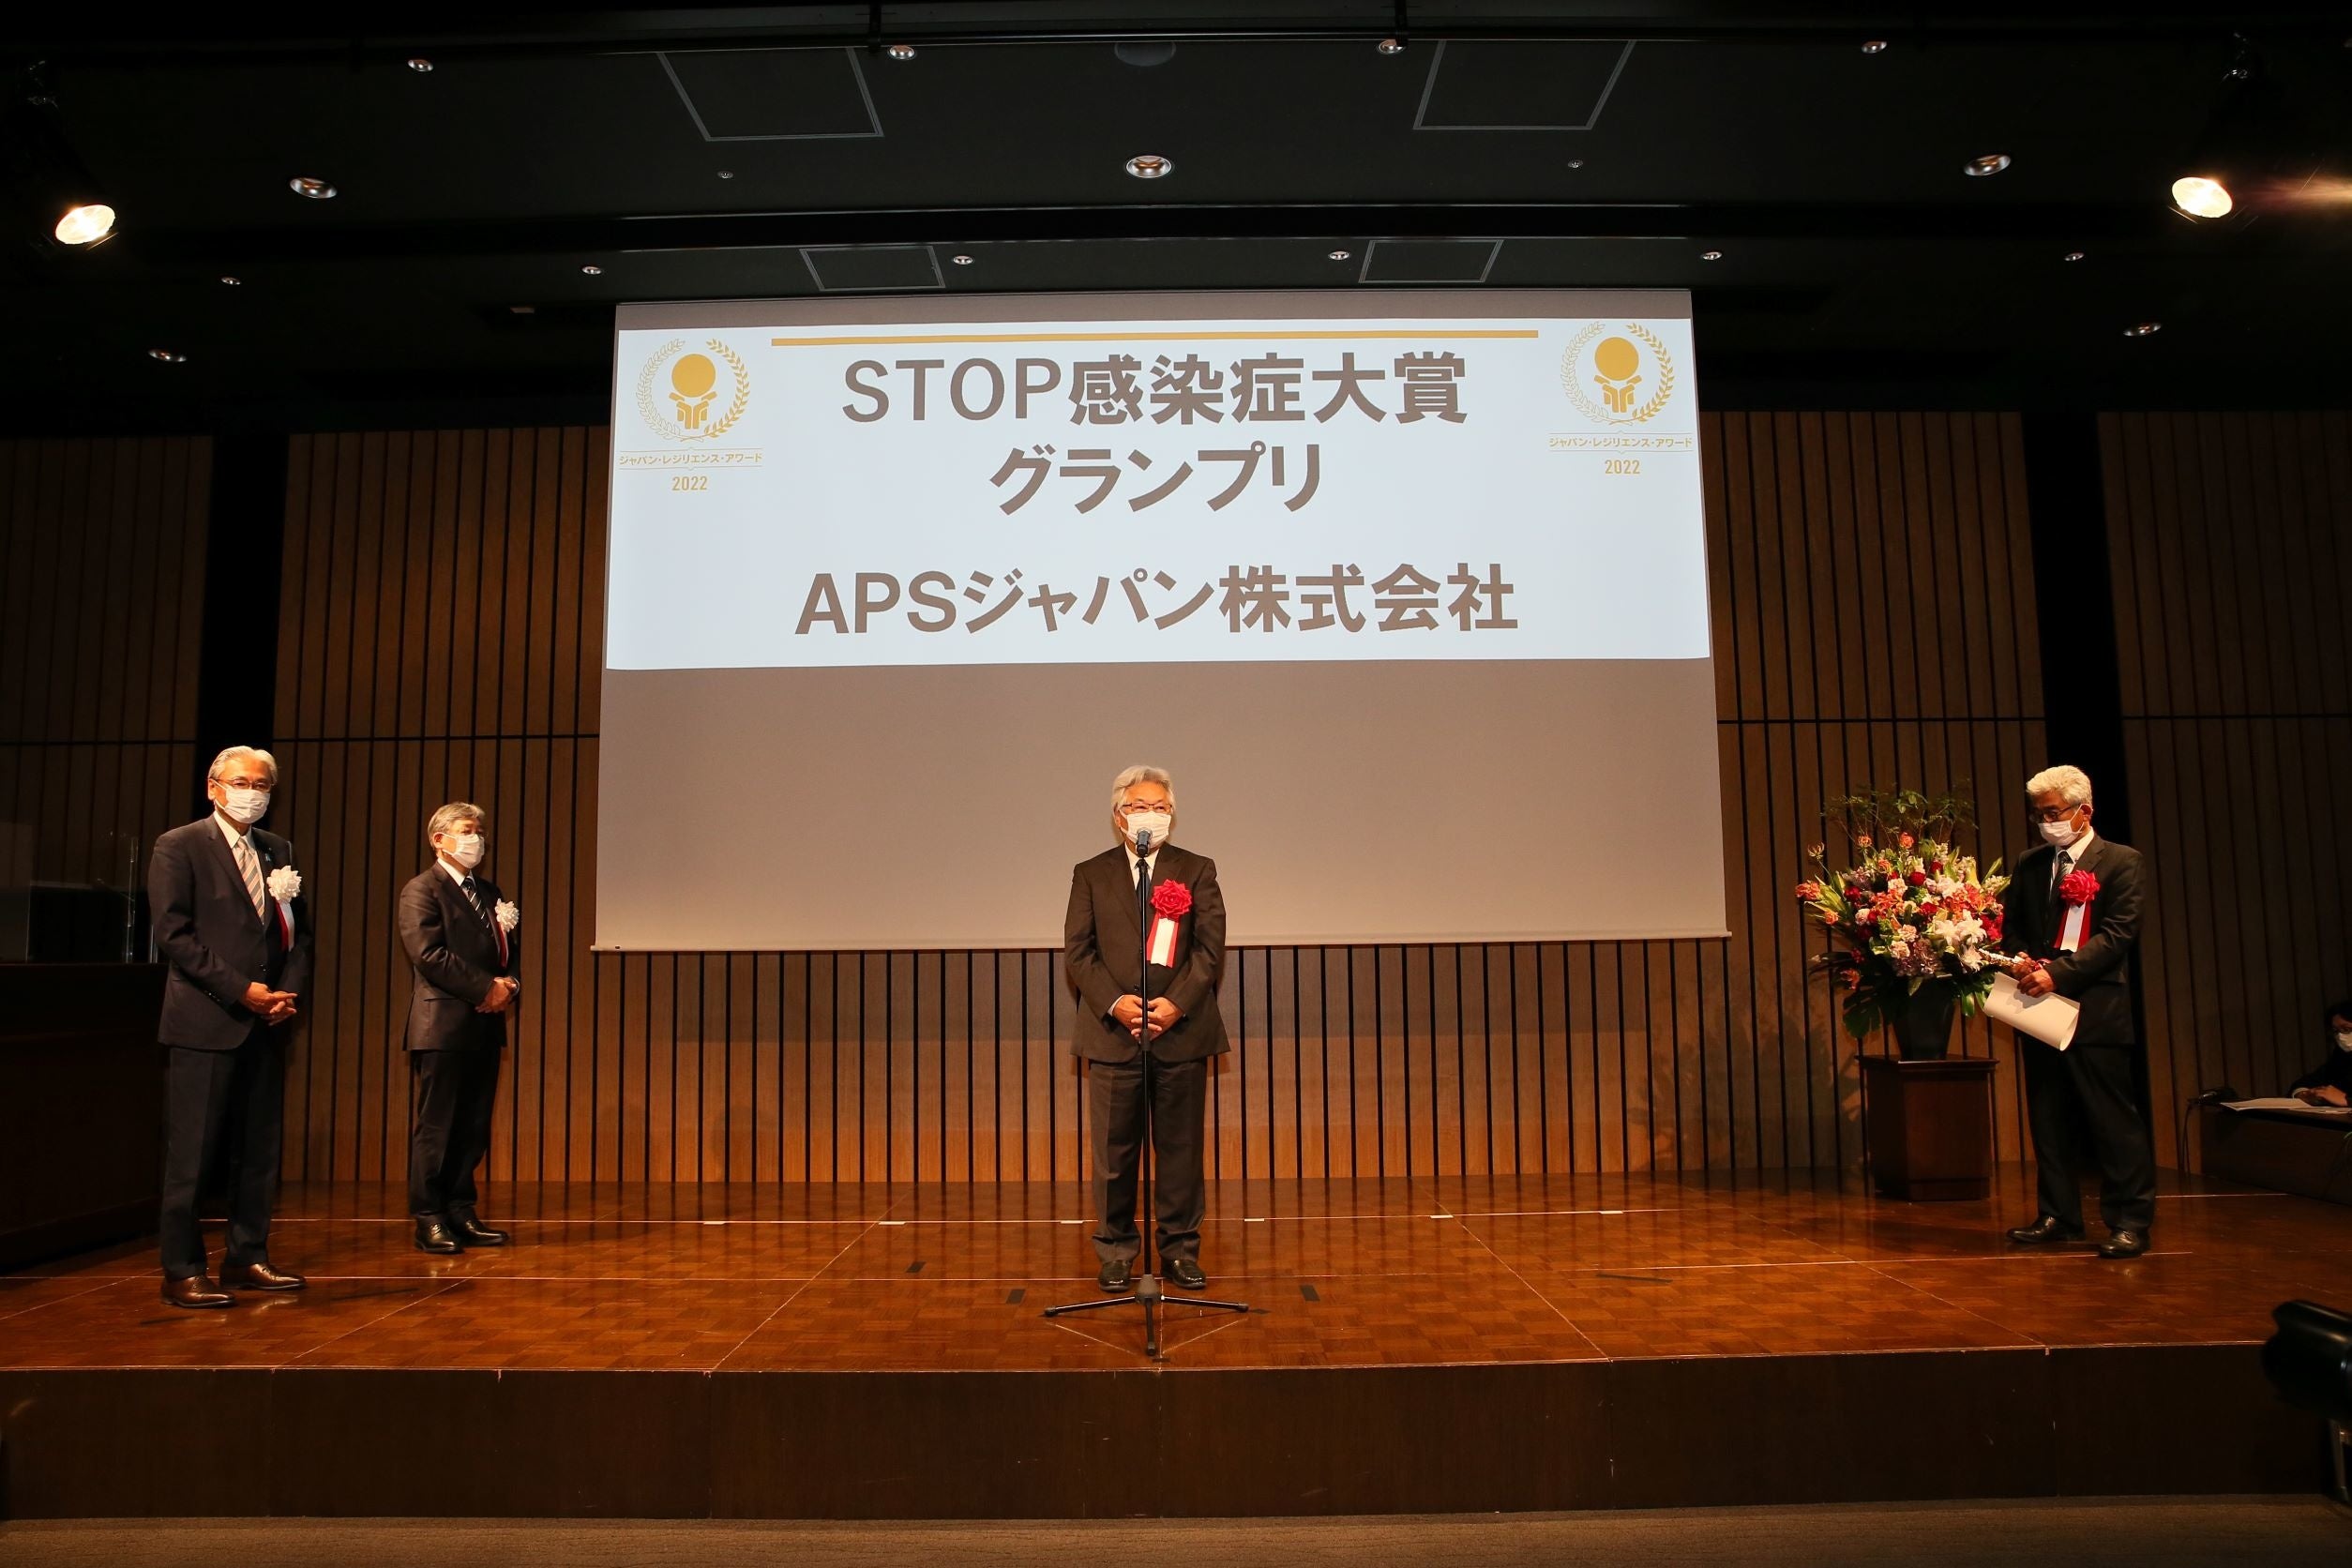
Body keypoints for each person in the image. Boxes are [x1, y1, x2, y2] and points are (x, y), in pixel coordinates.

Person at [147, 746, 312, 1307]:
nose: (253, 793)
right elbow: (174, 935)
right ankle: (182, 1269)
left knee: (259, 1150)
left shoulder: (277, 850)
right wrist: (242, 990)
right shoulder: (180, 845)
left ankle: (247, 1255)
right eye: (242, 782)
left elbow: (298, 934)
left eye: (262, 785)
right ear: (213, 787)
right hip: (205, 1020)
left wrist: (286, 993)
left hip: (267, 1023)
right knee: (192, 1154)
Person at [1063, 765, 1228, 1292]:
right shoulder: (1091, 873)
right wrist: (1117, 1004)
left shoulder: (1195, 869)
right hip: (1114, 1035)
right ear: (1119, 816)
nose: (1149, 815)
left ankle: (1179, 1251)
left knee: (1180, 1152)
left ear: (1171, 815)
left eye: (1159, 807)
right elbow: (1078, 951)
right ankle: (1115, 1251)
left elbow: (1209, 949)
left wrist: (1174, 1005)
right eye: (1139, 806)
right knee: (1114, 1156)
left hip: (1181, 1033)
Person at [2001, 764, 2157, 1259]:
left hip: (2096, 1009)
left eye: (2053, 813)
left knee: (2112, 1121)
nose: (2045, 823)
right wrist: (2020, 959)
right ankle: (2058, 1215)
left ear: (2084, 811)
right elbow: (2012, 926)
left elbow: (2118, 934)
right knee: (2048, 1118)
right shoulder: (2030, 863)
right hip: (2038, 1006)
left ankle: (2129, 1220)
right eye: (2039, 815)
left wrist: (2060, 974)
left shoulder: (2122, 861)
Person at [397, 802, 521, 1254]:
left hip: (485, 1025)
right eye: (467, 830)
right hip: (442, 1025)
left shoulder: (489, 891)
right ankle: (429, 1216)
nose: (476, 839)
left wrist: (509, 985)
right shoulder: (421, 890)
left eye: (479, 832)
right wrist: (485, 988)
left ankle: (460, 1208)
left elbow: (506, 951)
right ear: (439, 839)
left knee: (473, 1124)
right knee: (439, 1124)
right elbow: (429, 955)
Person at [2289, 1000, 2352, 1108]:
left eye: (2346, 1029)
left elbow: (2343, 1098)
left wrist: (2347, 1100)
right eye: (2336, 1031)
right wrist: (2303, 1094)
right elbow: (2310, 1080)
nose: (2340, 1036)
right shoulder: (2342, 1055)